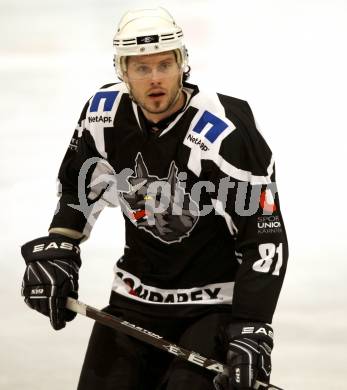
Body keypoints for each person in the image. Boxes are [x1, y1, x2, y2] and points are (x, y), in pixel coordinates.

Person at [21, 7, 288, 390]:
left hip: (212, 309)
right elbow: (79, 189)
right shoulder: (103, 115)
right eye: (142, 68)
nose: (155, 78)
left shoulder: (225, 132)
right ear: (122, 71)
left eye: (165, 64)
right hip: (134, 299)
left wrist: (251, 327)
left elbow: (263, 238)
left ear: (183, 64)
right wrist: (62, 242)